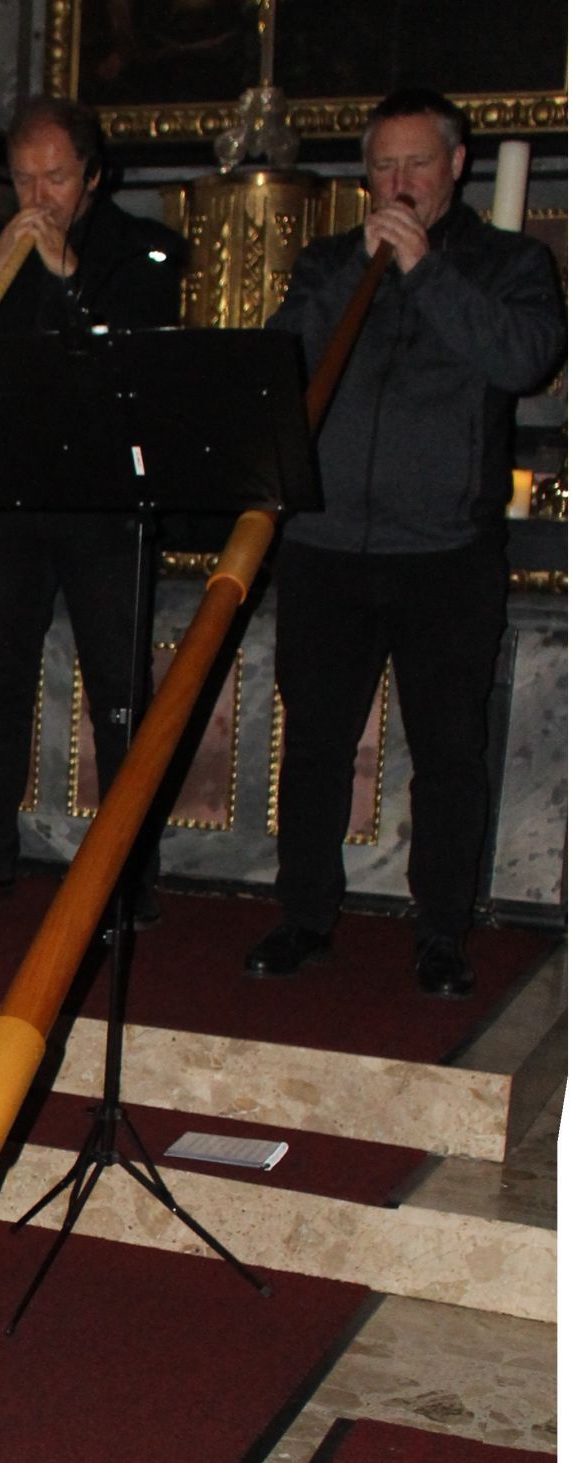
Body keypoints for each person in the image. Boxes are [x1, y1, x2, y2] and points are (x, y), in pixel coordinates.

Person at [243, 87, 565, 997]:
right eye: (383, 164)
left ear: (456, 165)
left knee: (448, 750)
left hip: (445, 554)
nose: (399, 180)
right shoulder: (328, 261)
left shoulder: (507, 265)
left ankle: (441, 933)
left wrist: (426, 273)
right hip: (327, 546)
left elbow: (523, 357)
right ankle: (303, 916)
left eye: (417, 163)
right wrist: (363, 271)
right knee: (311, 744)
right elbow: (282, 364)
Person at [0, 97, 186, 922]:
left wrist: (66, 276)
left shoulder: (143, 251)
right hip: (5, 501)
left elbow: (135, 356)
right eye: (25, 178)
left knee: (118, 691)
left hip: (103, 505)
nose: (38, 196)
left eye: (57, 177)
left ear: (94, 176)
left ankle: (127, 874)